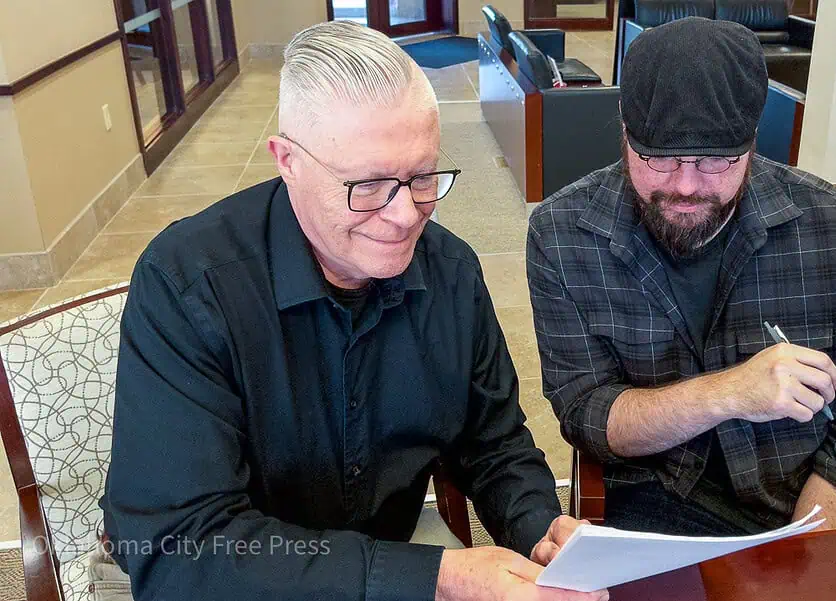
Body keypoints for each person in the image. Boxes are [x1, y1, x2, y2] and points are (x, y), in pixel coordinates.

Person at [101, 21, 606, 601]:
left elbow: (492, 445)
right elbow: (182, 551)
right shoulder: (187, 286)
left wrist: (539, 529)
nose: (405, 215)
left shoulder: (451, 272)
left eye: (422, 176)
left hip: (392, 564)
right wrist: (436, 577)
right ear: (287, 161)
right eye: (366, 186)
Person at [527, 17, 836, 537]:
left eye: (715, 159)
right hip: (662, 496)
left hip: (811, 495)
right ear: (624, 133)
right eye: (658, 157)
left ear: (751, 141)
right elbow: (587, 414)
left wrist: (799, 556)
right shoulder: (562, 234)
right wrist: (730, 393)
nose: (686, 186)